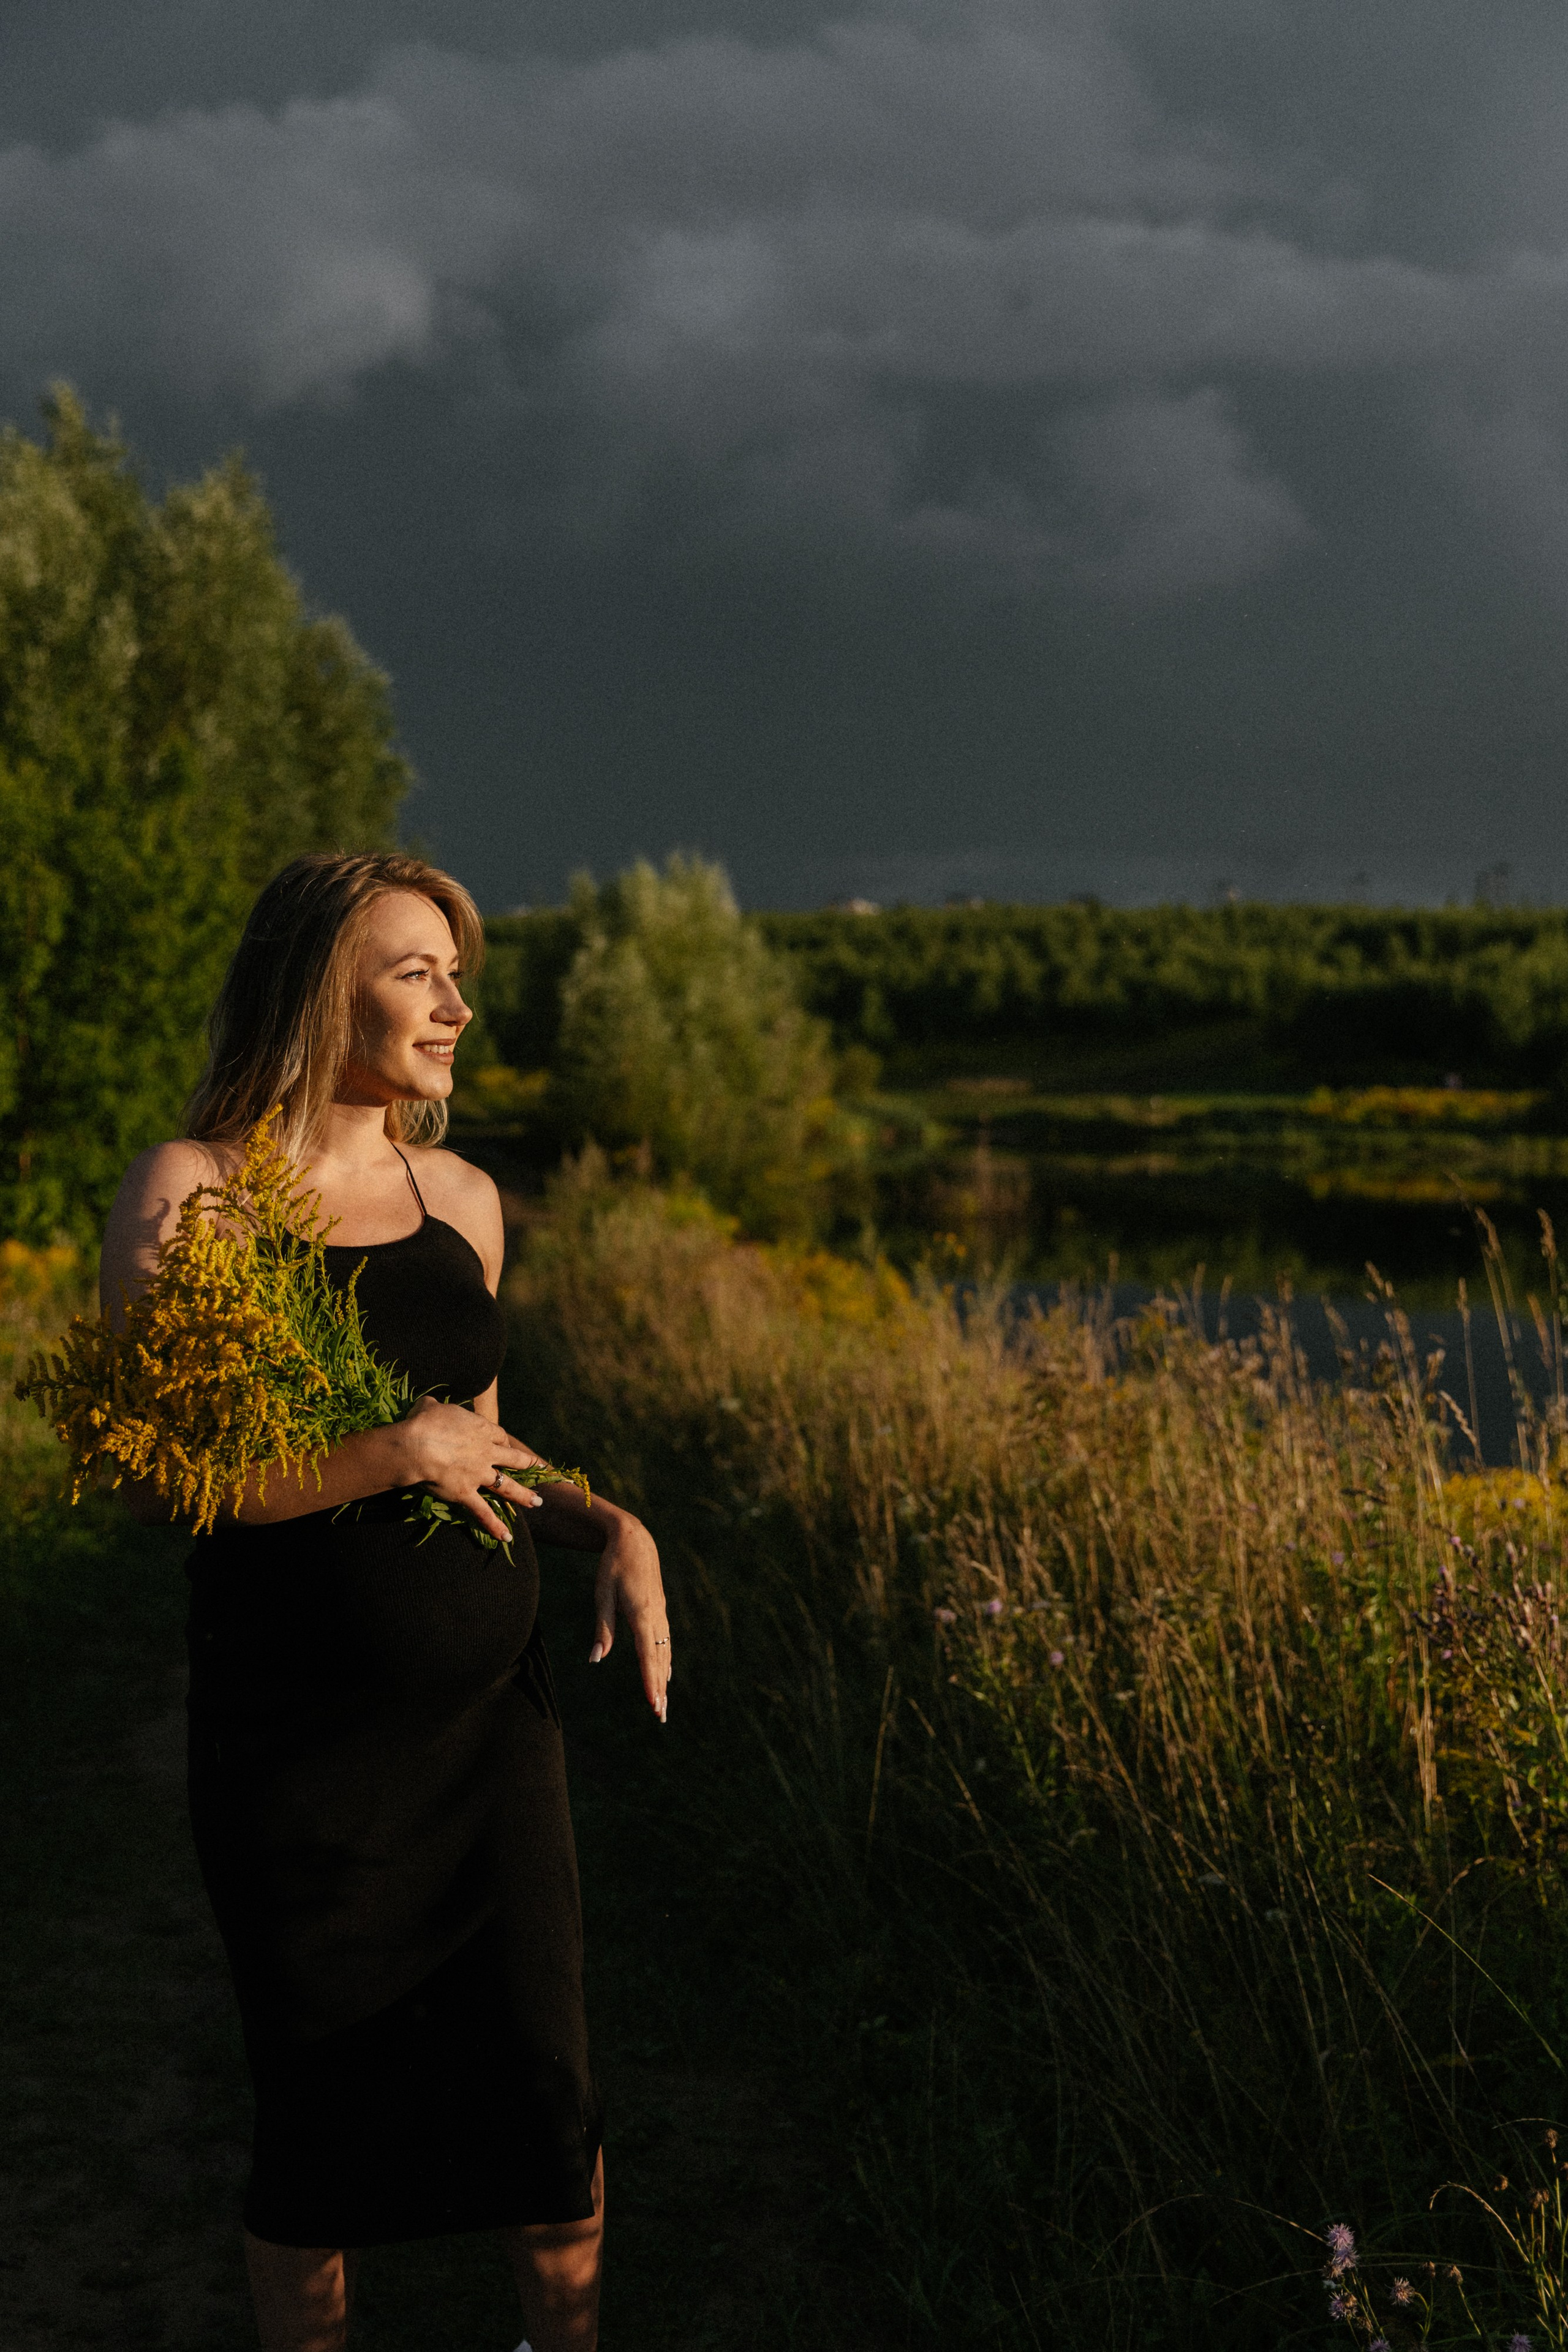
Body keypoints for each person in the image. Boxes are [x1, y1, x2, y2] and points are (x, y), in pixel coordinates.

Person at [99, 852, 669, 2352]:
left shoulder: (462, 1198)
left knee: (552, 2124)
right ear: (314, 988)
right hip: (302, 1755)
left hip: (493, 1741)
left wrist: (611, 1522)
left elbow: (486, 1448)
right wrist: (381, 1451)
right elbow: (175, 1483)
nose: (457, 1005)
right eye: (419, 971)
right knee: (321, 2135)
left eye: (455, 974)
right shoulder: (193, 1194)